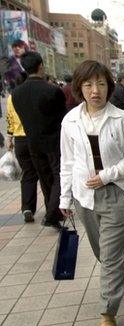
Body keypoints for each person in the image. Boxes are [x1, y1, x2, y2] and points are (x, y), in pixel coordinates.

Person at [59, 60, 124, 326]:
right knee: (103, 253)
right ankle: (117, 270)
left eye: (102, 84)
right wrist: (65, 198)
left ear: (109, 86)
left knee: (109, 258)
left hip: (115, 194)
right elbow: (67, 162)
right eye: (89, 84)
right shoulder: (69, 121)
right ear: (79, 88)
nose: (96, 90)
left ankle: (108, 313)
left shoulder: (122, 118)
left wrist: (108, 175)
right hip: (84, 197)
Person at [11, 51, 66, 230]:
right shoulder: (53, 91)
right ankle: (51, 214)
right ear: (41, 65)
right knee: (60, 177)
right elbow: (63, 117)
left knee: (45, 178)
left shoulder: (16, 94)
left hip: (31, 142)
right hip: (54, 141)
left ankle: (54, 213)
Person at [5, 71, 39, 223]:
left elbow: (10, 120)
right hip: (35, 138)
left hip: (19, 140)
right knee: (43, 173)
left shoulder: (11, 97)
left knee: (28, 174)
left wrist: (9, 137)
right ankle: (53, 209)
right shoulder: (32, 95)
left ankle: (27, 207)